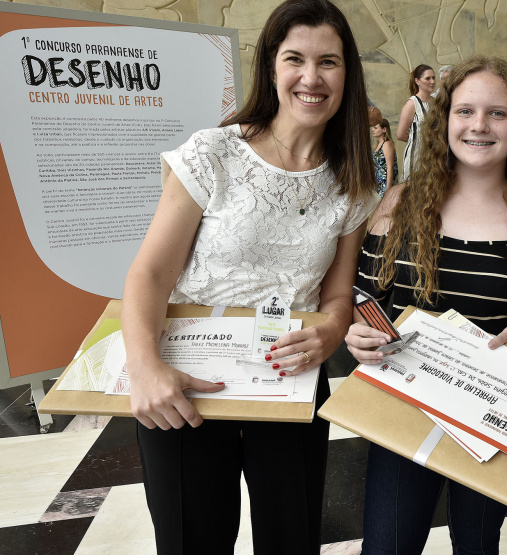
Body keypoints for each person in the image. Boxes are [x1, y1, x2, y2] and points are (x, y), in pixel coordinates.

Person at [120, 0, 379, 552]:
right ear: (270, 67)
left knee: (291, 537)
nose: (311, 77)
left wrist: (331, 331)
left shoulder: (352, 182)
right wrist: (144, 368)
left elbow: (337, 295)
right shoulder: (214, 153)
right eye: (295, 59)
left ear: (347, 74)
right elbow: (151, 272)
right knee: (193, 539)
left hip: (287, 378)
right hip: (187, 382)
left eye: (328, 62)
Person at [345, 55, 507, 555]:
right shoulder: (400, 205)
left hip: (491, 418)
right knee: (387, 546)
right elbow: (365, 301)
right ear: (444, 120)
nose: (479, 125)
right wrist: (360, 334)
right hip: (405, 407)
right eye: (465, 111)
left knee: (476, 545)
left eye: (497, 113)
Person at [397, 64, 435, 180]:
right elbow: (400, 134)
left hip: (433, 157)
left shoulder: (435, 102)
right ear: (417, 81)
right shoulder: (412, 103)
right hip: (416, 157)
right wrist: (418, 140)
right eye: (428, 78)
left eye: (433, 78)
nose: (432, 82)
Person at [371, 118, 397, 196]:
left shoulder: (387, 144)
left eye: (375, 128)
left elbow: (390, 167)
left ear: (384, 129)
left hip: (385, 185)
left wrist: (387, 190)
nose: (372, 130)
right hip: (377, 185)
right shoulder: (377, 145)